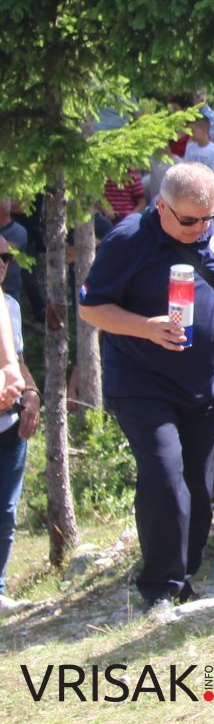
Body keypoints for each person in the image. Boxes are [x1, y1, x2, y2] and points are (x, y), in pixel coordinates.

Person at [79, 162, 214, 611]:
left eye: (207, 218)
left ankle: (183, 578)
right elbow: (91, 308)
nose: (200, 228)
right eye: (189, 220)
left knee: (198, 487)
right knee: (164, 474)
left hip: (202, 382)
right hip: (141, 381)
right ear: (161, 206)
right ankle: (159, 587)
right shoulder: (128, 239)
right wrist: (146, 327)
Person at [0, 237, 38, 614]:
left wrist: (32, 393)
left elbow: (19, 362)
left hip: (8, 423)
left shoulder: (9, 305)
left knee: (6, 511)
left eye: (6, 257)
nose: (1, 263)